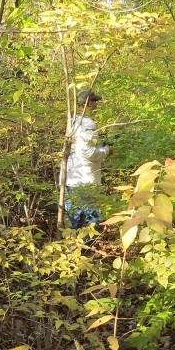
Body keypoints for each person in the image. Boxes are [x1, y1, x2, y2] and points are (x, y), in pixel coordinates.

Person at [64, 89, 109, 239]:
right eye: (94, 100)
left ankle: (70, 256)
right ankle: (84, 252)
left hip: (70, 179)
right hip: (85, 181)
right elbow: (88, 152)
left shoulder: (72, 121)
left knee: (72, 222)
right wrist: (106, 151)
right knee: (94, 222)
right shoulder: (87, 123)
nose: (96, 103)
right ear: (88, 103)